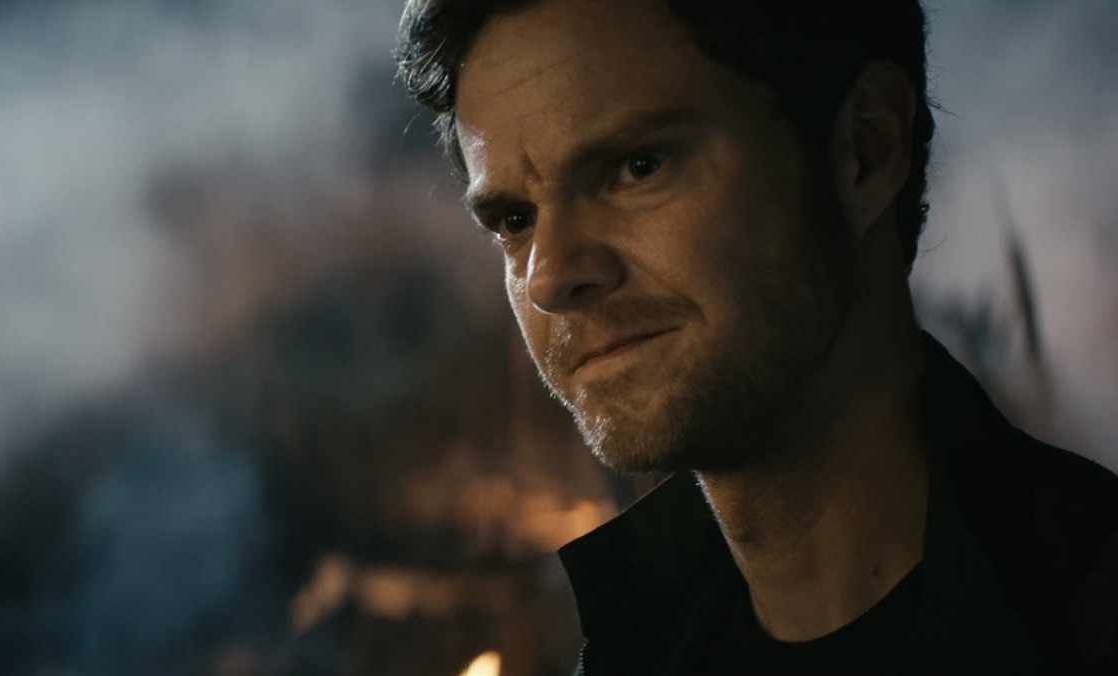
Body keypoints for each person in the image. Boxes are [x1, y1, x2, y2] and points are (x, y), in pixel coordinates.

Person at [394, 0, 1118, 672]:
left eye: (638, 166)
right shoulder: (628, 647)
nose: (550, 278)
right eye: (515, 221)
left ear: (865, 147)